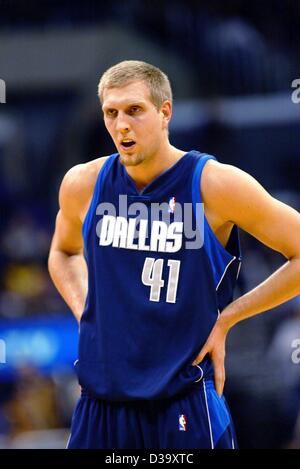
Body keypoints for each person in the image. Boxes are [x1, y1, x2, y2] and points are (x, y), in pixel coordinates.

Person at [48, 60, 300, 449]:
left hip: (183, 402)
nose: (121, 125)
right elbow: (63, 252)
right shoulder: (84, 183)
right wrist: (85, 311)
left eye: (134, 110)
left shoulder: (215, 184)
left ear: (165, 112)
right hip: (101, 405)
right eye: (110, 113)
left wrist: (229, 318)